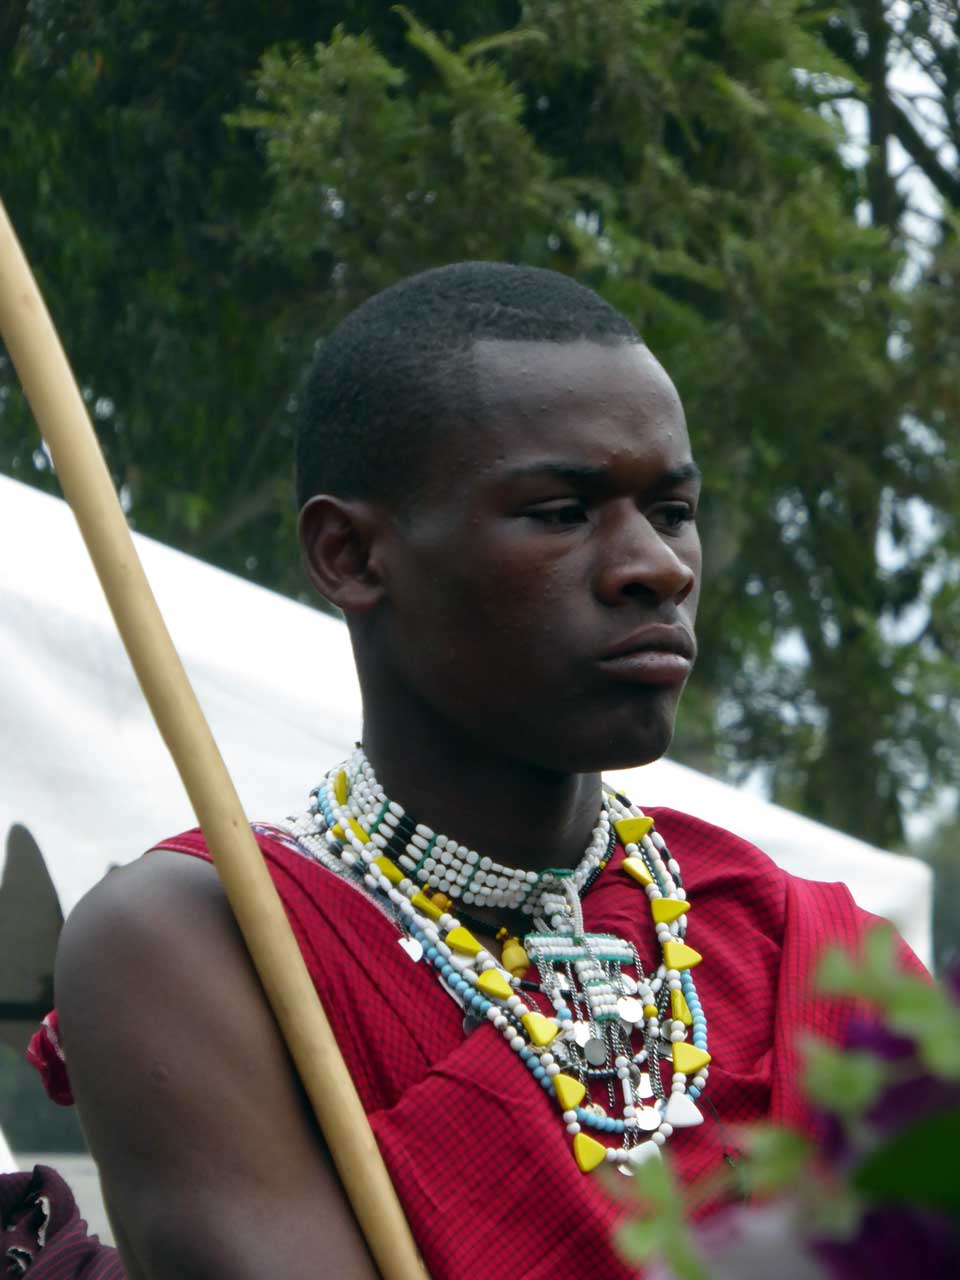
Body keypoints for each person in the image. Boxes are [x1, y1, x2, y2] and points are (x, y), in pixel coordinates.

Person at [25, 263, 923, 1279]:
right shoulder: (206, 942)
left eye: (671, 509)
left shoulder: (797, 945)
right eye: (560, 511)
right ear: (350, 555)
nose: (658, 566)